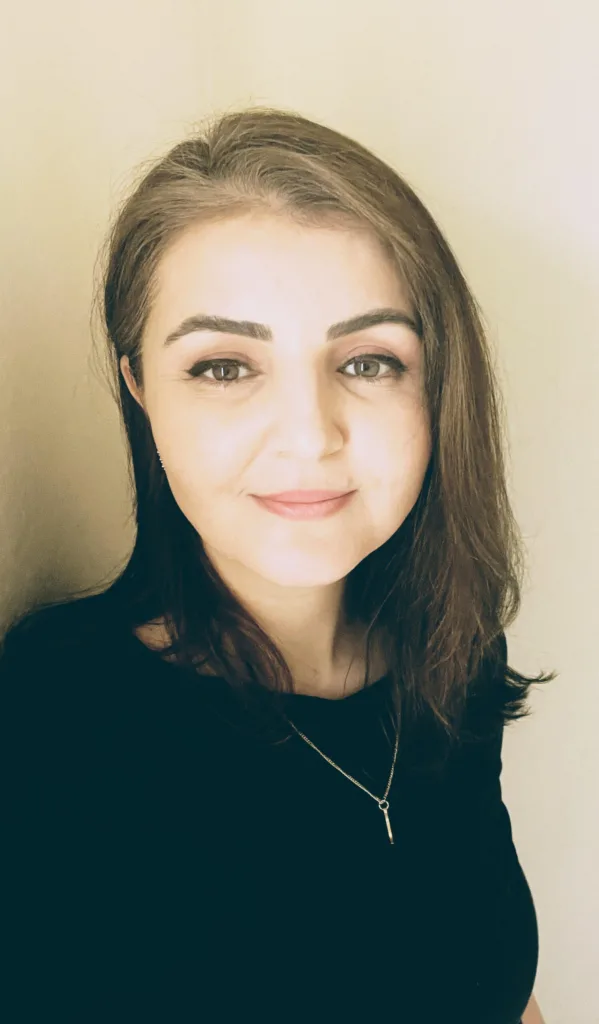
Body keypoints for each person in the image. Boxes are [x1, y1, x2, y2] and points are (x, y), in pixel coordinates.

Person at [1, 106, 555, 1022]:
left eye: (370, 361)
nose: (309, 436)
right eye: (223, 366)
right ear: (139, 387)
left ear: (436, 386)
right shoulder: (61, 720)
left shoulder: (452, 659)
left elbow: (493, 982)